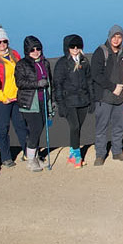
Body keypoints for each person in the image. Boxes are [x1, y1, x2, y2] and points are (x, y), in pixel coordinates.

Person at [89, 25, 123, 165]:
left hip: (120, 97)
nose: (116, 39)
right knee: (101, 127)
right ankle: (100, 154)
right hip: (104, 96)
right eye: (114, 36)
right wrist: (113, 87)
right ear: (109, 36)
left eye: (119, 37)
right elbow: (96, 74)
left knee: (118, 126)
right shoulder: (101, 52)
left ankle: (117, 152)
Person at [0, 26, 27, 175]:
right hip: (1, 100)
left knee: (22, 126)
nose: (2, 44)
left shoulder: (15, 55)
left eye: (4, 41)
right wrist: (3, 98)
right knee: (3, 128)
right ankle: (5, 157)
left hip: (17, 98)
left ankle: (27, 152)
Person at [50, 34, 93, 169]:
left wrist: (92, 99)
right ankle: (77, 156)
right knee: (74, 127)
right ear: (67, 48)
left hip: (83, 100)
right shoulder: (62, 63)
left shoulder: (84, 61)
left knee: (78, 128)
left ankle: (72, 154)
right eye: (72, 46)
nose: (75, 48)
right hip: (68, 101)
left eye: (78, 46)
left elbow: (89, 81)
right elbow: (57, 84)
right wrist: (60, 104)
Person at [14, 35, 54, 172]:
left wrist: (51, 101)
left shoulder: (45, 63)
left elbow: (50, 82)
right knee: (35, 131)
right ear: (27, 51)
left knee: (39, 129)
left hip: (43, 101)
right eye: (32, 50)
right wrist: (37, 84)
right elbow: (20, 83)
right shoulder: (22, 64)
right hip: (30, 103)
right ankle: (30, 160)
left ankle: (35, 156)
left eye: (38, 49)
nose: (36, 52)